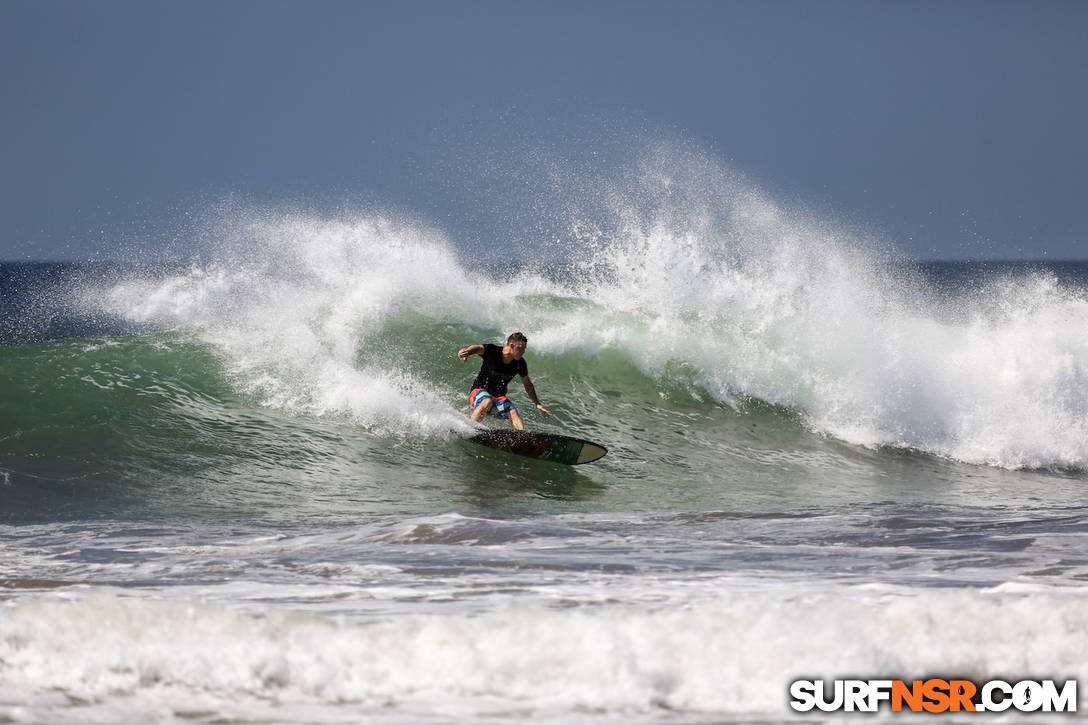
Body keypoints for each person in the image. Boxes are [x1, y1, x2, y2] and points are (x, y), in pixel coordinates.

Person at [457, 332, 551, 431]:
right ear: (511, 345)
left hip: (497, 399)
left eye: (524, 349)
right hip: (479, 392)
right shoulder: (493, 351)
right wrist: (467, 352)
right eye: (520, 348)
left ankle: (522, 437)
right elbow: (478, 348)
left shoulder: (520, 363)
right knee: (487, 401)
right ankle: (469, 429)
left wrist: (537, 403)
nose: (523, 351)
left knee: (513, 411)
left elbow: (528, 384)